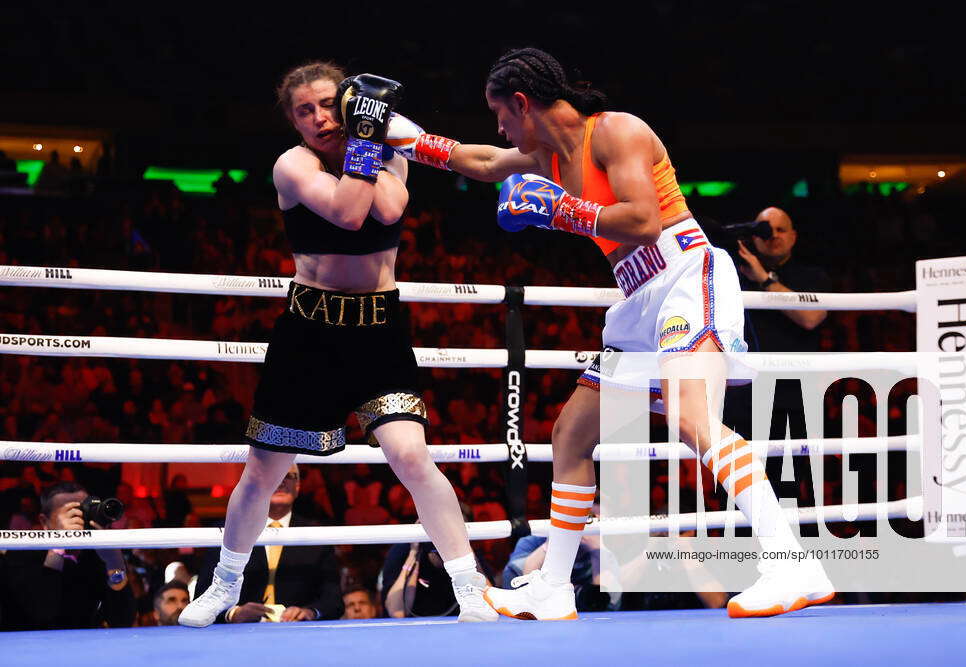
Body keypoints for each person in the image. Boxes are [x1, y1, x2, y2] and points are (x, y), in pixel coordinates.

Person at [387, 47, 833, 619]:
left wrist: (561, 211)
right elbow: (477, 160)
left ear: (523, 103)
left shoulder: (618, 132)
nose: (498, 127)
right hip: (635, 296)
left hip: (684, 274)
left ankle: (793, 563)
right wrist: (395, 131)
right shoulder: (544, 157)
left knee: (691, 417)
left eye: (501, 113)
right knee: (571, 434)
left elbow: (644, 220)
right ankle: (552, 585)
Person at [180, 61, 495, 627]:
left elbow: (391, 209)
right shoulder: (292, 165)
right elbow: (350, 213)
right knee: (263, 470)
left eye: (329, 104)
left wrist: (374, 135)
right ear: (293, 123)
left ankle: (469, 585)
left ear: (350, 103)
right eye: (306, 111)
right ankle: (223, 585)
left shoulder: (388, 149)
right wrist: (368, 137)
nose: (321, 118)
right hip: (310, 332)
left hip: (379, 328)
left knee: (411, 456)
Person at [191, 463, 343, 623]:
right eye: (275, 474)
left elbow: (333, 600)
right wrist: (234, 613)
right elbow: (202, 597)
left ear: (298, 486)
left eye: (289, 476)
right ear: (256, 485)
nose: (281, 481)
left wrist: (310, 612)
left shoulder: (316, 535)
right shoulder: (228, 532)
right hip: (239, 635)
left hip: (298, 633)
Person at [0, 482, 136, 630]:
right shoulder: (21, 552)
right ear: (44, 522)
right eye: (71, 513)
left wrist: (115, 564)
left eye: (84, 511)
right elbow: (42, 615)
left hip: (86, 646)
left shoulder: (98, 555)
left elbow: (123, 621)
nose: (79, 519)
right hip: (28, 646)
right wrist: (58, 547)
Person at [736, 206, 831, 352]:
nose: (773, 235)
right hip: (751, 369)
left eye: (780, 230)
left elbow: (811, 319)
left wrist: (764, 279)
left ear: (793, 237)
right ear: (755, 238)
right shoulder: (737, 277)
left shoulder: (814, 276)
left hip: (801, 369)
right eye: (765, 230)